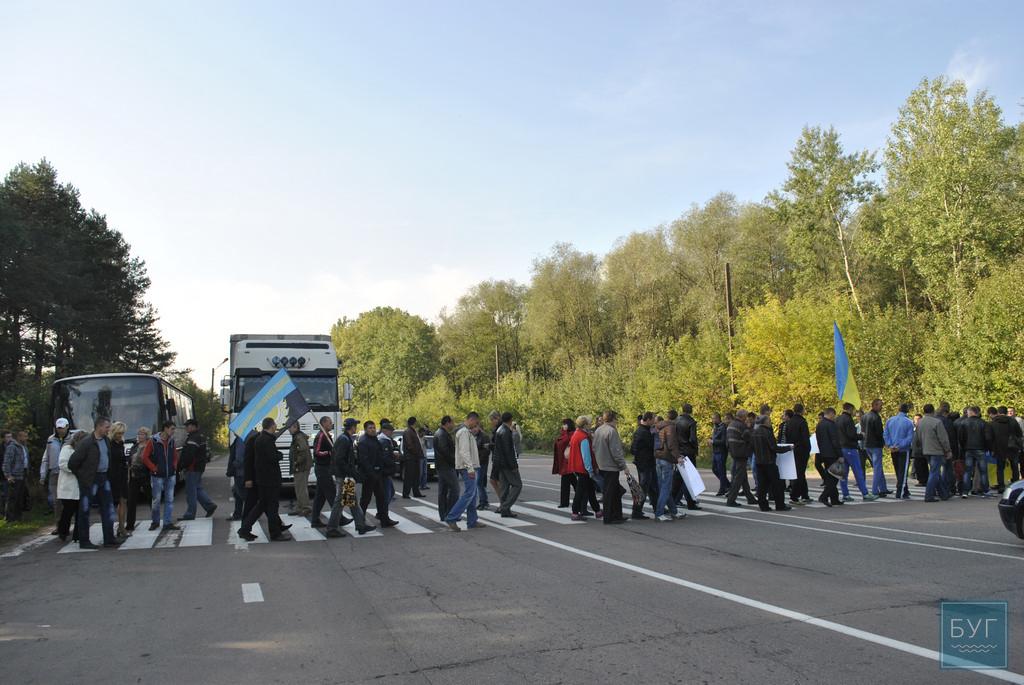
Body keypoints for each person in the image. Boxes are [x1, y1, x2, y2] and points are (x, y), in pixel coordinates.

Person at [67, 417, 121, 548]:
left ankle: (109, 538)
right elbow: (72, 463)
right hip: (90, 479)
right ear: (99, 427)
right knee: (85, 509)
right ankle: (84, 540)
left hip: (104, 477)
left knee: (108, 508)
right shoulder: (86, 443)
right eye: (107, 427)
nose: (109, 430)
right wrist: (82, 476)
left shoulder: (106, 441)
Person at [238, 418, 293, 541]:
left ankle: (245, 529)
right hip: (269, 479)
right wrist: (280, 455)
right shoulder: (266, 440)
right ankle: (275, 533)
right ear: (271, 426)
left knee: (261, 505)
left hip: (263, 478)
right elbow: (272, 457)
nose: (276, 427)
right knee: (272, 506)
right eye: (275, 425)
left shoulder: (260, 439)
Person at [326, 418, 375, 537]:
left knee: (352, 501)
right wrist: (352, 473)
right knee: (339, 502)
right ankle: (331, 529)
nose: (356, 428)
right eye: (355, 426)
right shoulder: (344, 440)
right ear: (352, 427)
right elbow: (340, 460)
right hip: (343, 476)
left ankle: (361, 525)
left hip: (344, 475)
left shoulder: (345, 438)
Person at [445, 412, 487, 532]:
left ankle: (472, 520)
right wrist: (470, 468)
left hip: (469, 466)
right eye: (476, 422)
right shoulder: (464, 432)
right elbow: (464, 452)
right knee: (469, 493)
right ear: (472, 420)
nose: (476, 425)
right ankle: (452, 517)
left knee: (472, 495)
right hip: (467, 467)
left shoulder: (465, 431)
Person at [357, 421, 398, 528]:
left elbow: (380, 456)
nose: (373, 429)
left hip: (378, 474)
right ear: (365, 429)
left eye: (374, 427)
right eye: (370, 428)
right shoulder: (363, 441)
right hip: (369, 475)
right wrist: (371, 473)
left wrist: (381, 470)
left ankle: (384, 520)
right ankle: (360, 522)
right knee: (365, 499)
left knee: (382, 498)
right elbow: (363, 460)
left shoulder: (375, 439)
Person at [141, 421, 180, 532]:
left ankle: (167, 522)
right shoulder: (153, 441)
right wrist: (154, 468)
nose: (173, 431)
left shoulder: (171, 441)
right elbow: (145, 457)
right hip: (157, 475)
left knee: (169, 499)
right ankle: (155, 521)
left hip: (170, 474)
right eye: (172, 429)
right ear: (165, 429)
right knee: (156, 500)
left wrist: (174, 466)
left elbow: (175, 456)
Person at [593, 410, 628, 525]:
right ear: (613, 419)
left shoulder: (599, 430)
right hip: (611, 466)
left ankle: (617, 515)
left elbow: (594, 447)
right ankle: (609, 517)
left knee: (614, 491)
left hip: (602, 464)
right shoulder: (611, 431)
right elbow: (616, 451)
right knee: (610, 493)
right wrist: (623, 466)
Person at [751, 415, 791, 512]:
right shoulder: (767, 432)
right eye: (769, 420)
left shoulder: (755, 432)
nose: (770, 422)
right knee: (777, 484)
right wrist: (788, 448)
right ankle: (780, 505)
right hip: (769, 461)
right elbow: (774, 447)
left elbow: (751, 447)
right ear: (765, 422)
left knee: (762, 485)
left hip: (759, 461)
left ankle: (763, 505)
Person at [179, 418, 216, 520]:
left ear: (194, 426)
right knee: (197, 488)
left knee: (191, 491)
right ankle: (209, 506)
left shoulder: (193, 438)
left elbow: (189, 455)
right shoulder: (199, 436)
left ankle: (190, 513)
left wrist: (182, 465)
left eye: (188, 426)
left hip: (192, 467)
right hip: (199, 467)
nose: (186, 427)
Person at [837, 403, 875, 502]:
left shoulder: (838, 419)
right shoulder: (848, 419)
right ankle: (865, 493)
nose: (855, 412)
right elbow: (851, 435)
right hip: (850, 448)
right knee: (858, 471)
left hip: (841, 449)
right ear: (850, 409)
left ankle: (845, 494)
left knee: (843, 474)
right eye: (854, 410)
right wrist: (861, 435)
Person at [568, 416, 602, 521]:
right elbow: (586, 455)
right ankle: (575, 512)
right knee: (580, 491)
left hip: (577, 467)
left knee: (590, 489)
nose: (590, 425)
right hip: (583, 468)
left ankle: (597, 511)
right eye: (589, 423)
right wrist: (590, 469)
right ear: (585, 425)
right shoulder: (583, 437)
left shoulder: (575, 434)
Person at [56, 430, 87, 542]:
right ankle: (63, 531)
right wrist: (76, 469)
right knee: (68, 511)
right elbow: (62, 464)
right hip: (68, 485)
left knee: (80, 512)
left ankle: (77, 535)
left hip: (80, 485)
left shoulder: (84, 450)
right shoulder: (67, 449)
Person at [40, 418, 70, 530]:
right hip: (54, 473)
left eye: (62, 428)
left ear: (67, 427)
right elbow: (46, 457)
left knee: (67, 501)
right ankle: (58, 525)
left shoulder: (72, 439)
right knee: (56, 501)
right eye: (58, 428)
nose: (60, 430)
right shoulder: (51, 440)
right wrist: (43, 474)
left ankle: (67, 524)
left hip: (67, 473)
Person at [917, 404, 952, 502]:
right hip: (936, 450)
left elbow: (918, 436)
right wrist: (947, 450)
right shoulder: (937, 422)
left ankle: (943, 494)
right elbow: (943, 438)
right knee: (934, 473)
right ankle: (929, 495)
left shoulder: (920, 422)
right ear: (933, 411)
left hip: (926, 449)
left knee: (935, 472)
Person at [492, 412, 523, 517]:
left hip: (499, 463)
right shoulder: (506, 432)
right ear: (510, 420)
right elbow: (508, 451)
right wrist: (513, 465)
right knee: (517, 485)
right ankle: (505, 506)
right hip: (507, 464)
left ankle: (504, 508)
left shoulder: (499, 429)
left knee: (504, 487)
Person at [725, 410, 757, 508]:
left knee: (743, 477)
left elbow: (727, 441)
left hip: (734, 452)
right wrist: (750, 427)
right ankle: (731, 499)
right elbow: (749, 438)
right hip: (741, 452)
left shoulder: (731, 425)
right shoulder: (742, 426)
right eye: (746, 417)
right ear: (743, 417)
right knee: (739, 478)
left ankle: (750, 498)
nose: (747, 418)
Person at [958, 405, 991, 498]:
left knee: (968, 470)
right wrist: (987, 448)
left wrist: (964, 446)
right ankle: (985, 490)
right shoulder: (983, 423)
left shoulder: (964, 423)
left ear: (971, 412)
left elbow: (961, 437)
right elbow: (988, 438)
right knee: (983, 471)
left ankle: (965, 491)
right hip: (981, 448)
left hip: (968, 449)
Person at [672, 404, 700, 511]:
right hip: (688, 451)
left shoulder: (676, 421)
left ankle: (672, 499)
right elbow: (693, 439)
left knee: (678, 478)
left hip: (679, 451)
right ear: (691, 410)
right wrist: (695, 448)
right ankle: (690, 502)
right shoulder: (691, 422)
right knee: (689, 478)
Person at [884, 403, 915, 499]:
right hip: (903, 450)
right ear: (907, 411)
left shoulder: (890, 420)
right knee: (903, 471)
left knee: (898, 470)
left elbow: (886, 434)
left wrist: (890, 445)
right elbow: (910, 438)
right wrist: (900, 446)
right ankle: (900, 492)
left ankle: (904, 490)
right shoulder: (909, 422)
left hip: (893, 449)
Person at [630, 412, 658, 520]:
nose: (654, 421)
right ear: (649, 419)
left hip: (647, 463)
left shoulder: (645, 430)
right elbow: (634, 449)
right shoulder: (643, 432)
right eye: (653, 419)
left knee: (653, 487)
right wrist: (641, 457)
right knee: (643, 488)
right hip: (645, 464)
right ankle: (636, 511)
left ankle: (657, 509)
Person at [990, 406, 1023, 493]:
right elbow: (1019, 434)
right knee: (1014, 467)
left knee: (1000, 468)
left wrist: (992, 448)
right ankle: (1015, 486)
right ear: (1006, 412)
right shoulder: (1013, 421)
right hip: (1012, 447)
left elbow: (990, 437)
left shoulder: (993, 422)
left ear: (998, 412)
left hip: (999, 447)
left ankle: (1001, 486)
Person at [654, 417, 681, 520]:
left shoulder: (658, 427)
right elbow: (671, 444)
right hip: (666, 459)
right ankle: (659, 513)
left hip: (658, 458)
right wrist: (678, 457)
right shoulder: (671, 428)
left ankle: (674, 511)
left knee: (664, 487)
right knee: (666, 487)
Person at [310, 416, 336, 526]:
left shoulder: (327, 435)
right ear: (324, 423)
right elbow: (316, 452)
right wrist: (329, 453)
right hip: (322, 468)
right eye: (330, 422)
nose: (331, 424)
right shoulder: (321, 435)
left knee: (320, 497)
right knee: (332, 494)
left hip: (325, 467)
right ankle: (339, 517)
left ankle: (315, 520)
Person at [814, 408, 843, 507]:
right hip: (832, 454)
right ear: (831, 414)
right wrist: (840, 454)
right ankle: (824, 496)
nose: (834, 417)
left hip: (824, 453)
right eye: (834, 415)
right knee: (834, 477)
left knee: (830, 476)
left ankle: (834, 498)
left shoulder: (820, 424)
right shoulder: (831, 425)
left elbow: (818, 439)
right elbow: (835, 441)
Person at [861, 399, 889, 497]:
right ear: (875, 405)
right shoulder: (876, 417)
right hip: (875, 445)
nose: (881, 407)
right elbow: (879, 432)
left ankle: (883, 488)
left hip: (866, 444)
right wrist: (883, 443)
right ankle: (875, 490)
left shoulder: (864, 417)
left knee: (877, 466)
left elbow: (863, 431)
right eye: (880, 405)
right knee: (877, 468)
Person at [433, 416, 458, 521]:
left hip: (442, 465)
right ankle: (450, 513)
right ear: (447, 423)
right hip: (446, 466)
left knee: (443, 491)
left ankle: (444, 514)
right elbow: (445, 451)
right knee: (455, 489)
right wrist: (455, 461)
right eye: (452, 423)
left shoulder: (439, 433)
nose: (453, 425)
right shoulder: (442, 434)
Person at [125, 427, 151, 531]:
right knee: (131, 501)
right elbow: (129, 461)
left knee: (151, 498)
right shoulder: (134, 447)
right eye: (139, 434)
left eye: (142, 434)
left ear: (146, 436)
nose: (140, 436)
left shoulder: (149, 446)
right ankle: (130, 524)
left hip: (145, 475)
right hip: (134, 475)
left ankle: (156, 520)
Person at [107, 422, 129, 537]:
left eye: (122, 433)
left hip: (122, 475)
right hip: (113, 476)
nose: (120, 435)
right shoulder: (109, 444)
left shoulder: (121, 443)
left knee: (123, 501)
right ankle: (111, 529)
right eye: (119, 433)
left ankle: (121, 527)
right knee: (114, 503)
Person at [3, 429, 31, 522]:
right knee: (13, 497)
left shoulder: (24, 447)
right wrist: (8, 475)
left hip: (23, 474)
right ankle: (10, 518)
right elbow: (7, 462)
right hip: (15, 475)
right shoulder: (12, 447)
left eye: (26, 436)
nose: (26, 438)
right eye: (24, 436)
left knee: (20, 497)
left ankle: (18, 517)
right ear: (19, 437)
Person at [787, 404, 812, 504]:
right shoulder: (802, 422)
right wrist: (808, 449)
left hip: (793, 449)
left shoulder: (789, 422)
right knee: (800, 473)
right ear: (802, 411)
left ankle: (804, 494)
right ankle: (794, 495)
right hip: (802, 450)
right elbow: (805, 438)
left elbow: (787, 435)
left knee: (799, 473)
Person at [287, 421, 312, 518]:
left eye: (290, 427)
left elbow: (303, 450)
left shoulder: (299, 437)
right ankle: (300, 507)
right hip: (301, 466)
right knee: (299, 487)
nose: (289, 430)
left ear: (295, 427)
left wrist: (296, 462)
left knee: (301, 488)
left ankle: (305, 508)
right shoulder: (298, 436)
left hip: (301, 467)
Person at [553, 418, 576, 508]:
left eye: (565, 424)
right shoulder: (563, 434)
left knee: (569, 482)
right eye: (563, 424)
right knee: (569, 482)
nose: (563, 426)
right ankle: (564, 502)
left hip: (568, 462)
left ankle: (565, 502)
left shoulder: (571, 434)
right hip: (563, 462)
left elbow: (566, 442)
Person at [401, 417, 425, 498]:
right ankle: (406, 493)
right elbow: (410, 445)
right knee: (409, 476)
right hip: (410, 458)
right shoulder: (408, 432)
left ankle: (416, 492)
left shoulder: (412, 431)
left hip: (414, 458)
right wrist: (417, 453)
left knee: (416, 476)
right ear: (414, 423)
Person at [710, 412, 730, 496]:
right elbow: (714, 437)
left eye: (714, 418)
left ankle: (723, 488)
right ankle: (728, 485)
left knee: (721, 471)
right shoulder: (715, 427)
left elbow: (723, 441)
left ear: (718, 418)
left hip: (721, 452)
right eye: (712, 418)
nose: (713, 420)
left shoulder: (723, 427)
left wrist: (713, 441)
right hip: (715, 451)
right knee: (714, 469)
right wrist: (711, 439)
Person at [475, 418, 492, 511]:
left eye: (475, 427)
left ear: (479, 427)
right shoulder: (476, 436)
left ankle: (483, 502)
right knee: (479, 483)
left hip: (482, 463)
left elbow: (486, 451)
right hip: (477, 463)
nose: (473, 429)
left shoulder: (484, 436)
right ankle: (484, 501)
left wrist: (479, 461)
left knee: (479, 483)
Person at [486, 411, 503, 505]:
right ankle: (502, 501)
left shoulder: (500, 429)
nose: (491, 422)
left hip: (498, 459)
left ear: (497, 418)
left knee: (496, 481)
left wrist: (489, 445)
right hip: (496, 458)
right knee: (494, 481)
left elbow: (499, 445)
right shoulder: (497, 429)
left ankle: (503, 502)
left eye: (492, 420)